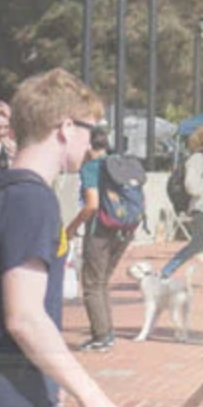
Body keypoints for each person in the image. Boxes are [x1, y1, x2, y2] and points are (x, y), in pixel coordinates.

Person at [0, 68, 128, 407]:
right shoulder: (29, 200)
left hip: (2, 398)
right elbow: (25, 318)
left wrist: (52, 380)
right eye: (93, 132)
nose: (95, 145)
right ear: (65, 127)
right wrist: (93, 397)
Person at [65, 128, 120, 352]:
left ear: (88, 147)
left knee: (90, 284)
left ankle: (101, 337)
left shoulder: (91, 168)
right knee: (102, 281)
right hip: (123, 229)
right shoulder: (118, 163)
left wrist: (71, 228)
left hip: (100, 229)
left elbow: (92, 204)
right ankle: (107, 332)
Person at [161, 125, 203, 279]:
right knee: (196, 245)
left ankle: (166, 272)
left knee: (195, 246)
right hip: (201, 209)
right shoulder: (197, 159)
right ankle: (166, 272)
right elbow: (191, 185)